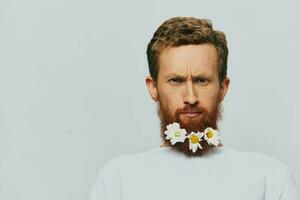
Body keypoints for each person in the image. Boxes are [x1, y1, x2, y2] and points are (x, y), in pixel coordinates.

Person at [89, 16, 299, 200]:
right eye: (175, 80)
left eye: (201, 80)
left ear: (222, 88)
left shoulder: (269, 176)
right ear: (153, 88)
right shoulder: (117, 179)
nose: (190, 97)